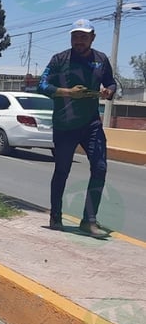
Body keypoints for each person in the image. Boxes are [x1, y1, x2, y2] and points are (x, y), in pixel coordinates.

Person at [37, 19, 116, 238]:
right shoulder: (59, 59)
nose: (78, 41)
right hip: (65, 125)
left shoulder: (101, 60)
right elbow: (41, 85)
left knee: (100, 167)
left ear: (93, 37)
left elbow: (111, 82)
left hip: (91, 124)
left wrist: (108, 91)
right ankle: (56, 216)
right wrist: (67, 92)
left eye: (83, 36)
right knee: (62, 171)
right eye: (75, 36)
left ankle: (89, 221)